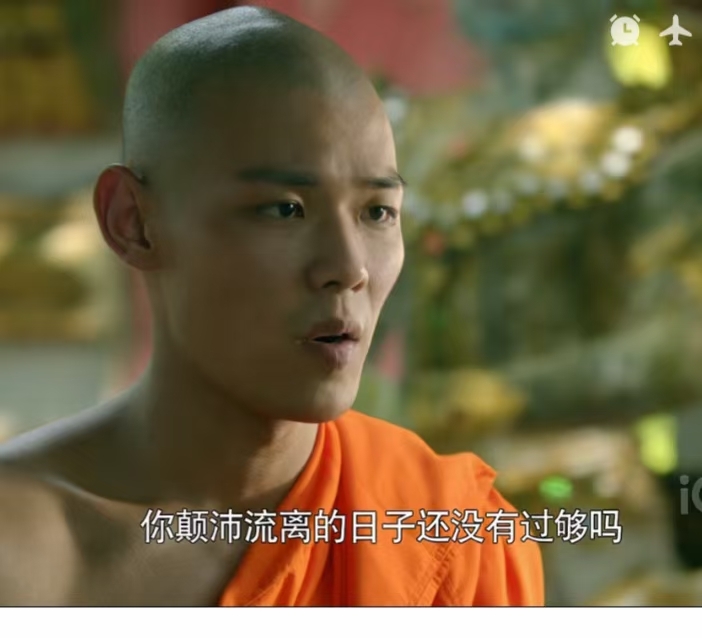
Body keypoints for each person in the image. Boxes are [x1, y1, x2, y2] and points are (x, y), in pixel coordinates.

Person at [0, 6, 543, 606]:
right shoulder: (19, 541)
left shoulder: (451, 533)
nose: (350, 267)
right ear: (134, 222)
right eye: (285, 209)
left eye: (377, 212)